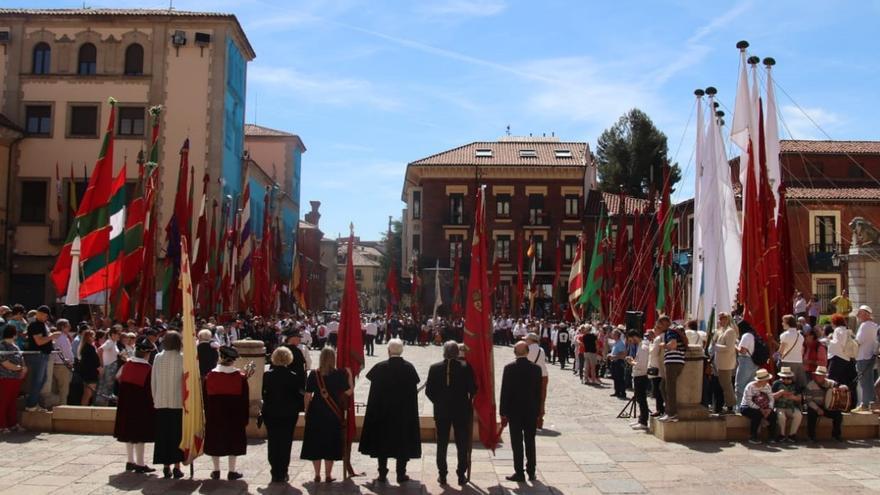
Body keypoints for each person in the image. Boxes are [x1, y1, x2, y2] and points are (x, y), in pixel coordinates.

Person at [359, 338, 421, 484]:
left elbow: (374, 392)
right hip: (403, 415)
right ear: (402, 351)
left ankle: (382, 473)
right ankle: (401, 473)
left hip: (383, 414)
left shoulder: (380, 367)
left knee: (382, 442)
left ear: (388, 351)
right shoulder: (409, 368)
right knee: (402, 442)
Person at [425, 341, 476, 486]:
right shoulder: (465, 367)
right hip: (461, 411)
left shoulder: (434, 368)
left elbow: (429, 391)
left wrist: (439, 402)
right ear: (457, 352)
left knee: (442, 443)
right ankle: (461, 474)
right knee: (462, 443)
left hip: (442, 411)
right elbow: (473, 389)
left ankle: (442, 474)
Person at [204, 346, 249, 481]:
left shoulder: (210, 376)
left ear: (220, 357)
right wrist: (245, 419)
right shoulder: (241, 378)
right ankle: (231, 471)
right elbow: (245, 401)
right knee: (233, 441)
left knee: (215, 440)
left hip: (215, 415)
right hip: (235, 416)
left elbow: (205, 399)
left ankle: (216, 470)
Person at [263, 346, 306, 483]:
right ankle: (283, 471)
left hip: (271, 413)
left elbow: (263, 394)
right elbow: (298, 396)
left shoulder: (267, 375)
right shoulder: (293, 376)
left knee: (273, 441)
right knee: (285, 442)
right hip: (288, 414)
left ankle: (274, 470)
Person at [113, 337, 156, 473]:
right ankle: (141, 463)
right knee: (139, 435)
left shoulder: (127, 364)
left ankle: (130, 461)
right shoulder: (148, 368)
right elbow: (152, 388)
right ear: (147, 354)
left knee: (129, 433)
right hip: (141, 405)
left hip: (126, 403)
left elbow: (118, 378)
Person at [500, 341, 541, 482]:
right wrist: (538, 412)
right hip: (530, 410)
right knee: (530, 441)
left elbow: (504, 392)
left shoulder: (509, 368)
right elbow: (538, 393)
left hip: (514, 411)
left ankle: (519, 472)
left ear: (515, 353)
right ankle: (531, 471)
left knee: (517, 443)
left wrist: (502, 412)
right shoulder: (536, 369)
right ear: (528, 352)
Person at [151, 330, 184, 479]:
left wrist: (155, 398)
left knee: (163, 435)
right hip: (177, 402)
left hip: (161, 401)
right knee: (177, 435)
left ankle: (166, 466)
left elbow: (154, 381)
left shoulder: (158, 358)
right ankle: (177, 466)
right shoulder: (182, 359)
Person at [24, 305, 60, 412]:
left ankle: (33, 402)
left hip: (43, 355)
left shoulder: (43, 325)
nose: (44, 317)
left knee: (42, 379)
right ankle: (31, 404)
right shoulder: (35, 325)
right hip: (38, 355)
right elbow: (39, 341)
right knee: (38, 380)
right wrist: (52, 336)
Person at [825, 313, 857, 409]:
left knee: (832, 380)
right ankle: (850, 403)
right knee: (847, 381)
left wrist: (828, 341)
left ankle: (832, 402)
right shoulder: (846, 330)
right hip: (847, 359)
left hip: (837, 358)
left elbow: (838, 344)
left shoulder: (838, 330)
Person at [804, 365, 843, 442]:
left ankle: (836, 435)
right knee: (811, 413)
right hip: (815, 406)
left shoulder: (831, 383)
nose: (819, 377)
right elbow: (808, 400)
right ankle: (811, 436)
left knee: (838, 415)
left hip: (827, 407)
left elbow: (840, 386)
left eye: (821, 375)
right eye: (818, 375)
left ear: (825, 376)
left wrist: (844, 387)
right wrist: (817, 409)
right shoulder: (810, 385)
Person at [739, 368, 777, 444]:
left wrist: (769, 408)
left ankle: (772, 437)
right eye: (766, 379)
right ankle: (753, 436)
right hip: (747, 406)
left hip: (764, 406)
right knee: (757, 414)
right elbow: (749, 401)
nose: (767, 381)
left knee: (773, 415)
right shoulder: (750, 386)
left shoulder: (767, 386)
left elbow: (771, 399)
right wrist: (760, 409)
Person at [0, 325, 27, 433]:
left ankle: (13, 424)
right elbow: (5, 363)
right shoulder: (2, 346)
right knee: (3, 402)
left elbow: (21, 358)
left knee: (12, 402)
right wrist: (19, 368)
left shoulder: (15, 346)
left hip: (15, 378)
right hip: (5, 378)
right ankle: (2, 425)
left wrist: (23, 369)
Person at [711, 313, 738, 415]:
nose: (721, 320)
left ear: (728, 320)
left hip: (726, 363)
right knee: (724, 385)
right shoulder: (722, 331)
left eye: (723, 319)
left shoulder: (730, 331)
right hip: (720, 362)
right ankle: (728, 405)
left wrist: (716, 346)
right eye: (720, 318)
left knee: (727, 385)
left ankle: (731, 406)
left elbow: (729, 347)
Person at [658, 317, 683, 423]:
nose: (660, 328)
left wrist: (664, 345)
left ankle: (672, 414)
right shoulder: (677, 328)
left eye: (661, 325)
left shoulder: (670, 330)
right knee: (663, 386)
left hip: (673, 361)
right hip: (678, 361)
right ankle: (668, 410)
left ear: (665, 323)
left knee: (670, 389)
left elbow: (673, 345)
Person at [853, 305, 878, 412]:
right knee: (869, 381)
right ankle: (869, 403)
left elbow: (858, 341)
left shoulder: (864, 326)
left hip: (863, 356)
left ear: (866, 314)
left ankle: (865, 404)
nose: (858, 315)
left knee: (864, 382)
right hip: (871, 356)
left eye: (860, 313)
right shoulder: (875, 325)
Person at [625, 330, 650, 430]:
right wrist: (633, 360)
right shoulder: (640, 346)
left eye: (631, 340)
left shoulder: (643, 347)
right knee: (640, 399)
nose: (631, 342)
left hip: (641, 376)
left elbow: (642, 365)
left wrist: (631, 362)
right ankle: (641, 419)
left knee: (641, 399)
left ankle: (643, 421)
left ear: (635, 337)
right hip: (638, 375)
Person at [47, 318, 74, 407]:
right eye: (68, 326)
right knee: (63, 390)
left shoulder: (56, 337)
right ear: (63, 327)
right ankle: (62, 409)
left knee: (55, 389)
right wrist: (70, 363)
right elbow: (66, 353)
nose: (70, 327)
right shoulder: (62, 338)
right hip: (62, 366)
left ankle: (53, 408)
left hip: (55, 365)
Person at [524, 333, 549, 428]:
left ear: (530, 340)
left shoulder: (527, 349)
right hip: (543, 375)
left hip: (532, 376)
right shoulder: (541, 349)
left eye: (526, 339)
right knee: (542, 398)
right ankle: (540, 420)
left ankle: (531, 419)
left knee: (531, 398)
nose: (525, 341)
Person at [772, 367, 802, 442]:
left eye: (788, 378)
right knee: (781, 416)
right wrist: (780, 393)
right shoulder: (776, 384)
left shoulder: (795, 384)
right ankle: (782, 435)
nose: (786, 380)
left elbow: (799, 398)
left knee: (798, 415)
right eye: (784, 378)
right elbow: (771, 397)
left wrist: (792, 397)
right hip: (779, 406)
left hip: (791, 407)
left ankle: (792, 435)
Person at [734, 320, 758, 405]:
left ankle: (739, 406)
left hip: (745, 361)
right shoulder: (753, 335)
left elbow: (742, 351)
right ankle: (749, 406)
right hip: (754, 362)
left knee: (740, 385)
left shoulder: (746, 336)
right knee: (750, 386)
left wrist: (735, 345)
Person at [778, 315, 805, 388]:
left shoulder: (785, 335)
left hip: (787, 361)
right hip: (799, 362)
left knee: (787, 384)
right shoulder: (801, 336)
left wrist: (774, 357)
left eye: (783, 322)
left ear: (787, 323)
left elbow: (781, 351)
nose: (782, 323)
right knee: (797, 384)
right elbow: (802, 350)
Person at [76, 329, 101, 406]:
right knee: (88, 393)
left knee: (88, 393)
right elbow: (95, 361)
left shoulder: (86, 347)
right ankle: (83, 409)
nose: (94, 337)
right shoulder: (89, 347)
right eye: (93, 336)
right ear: (89, 337)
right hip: (90, 373)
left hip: (88, 373)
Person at [608, 329, 627, 399]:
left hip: (619, 362)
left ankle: (622, 392)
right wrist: (610, 355)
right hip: (614, 362)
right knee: (615, 377)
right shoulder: (616, 343)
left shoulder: (620, 343)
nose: (612, 335)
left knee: (620, 377)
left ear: (617, 335)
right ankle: (617, 391)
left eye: (613, 334)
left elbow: (623, 353)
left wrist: (614, 356)